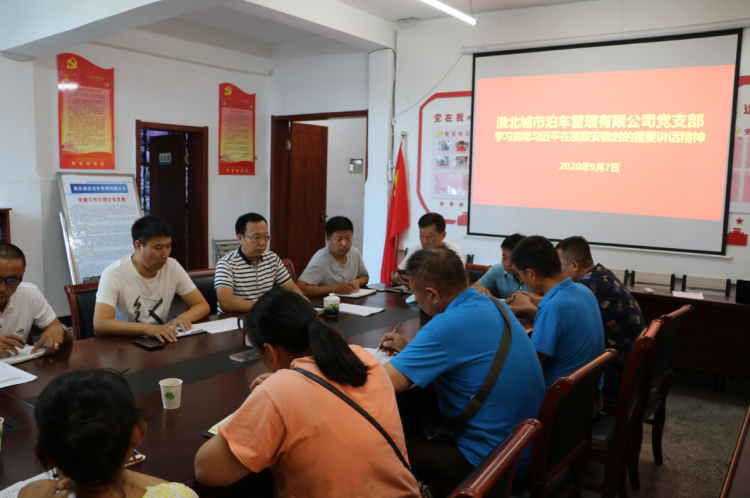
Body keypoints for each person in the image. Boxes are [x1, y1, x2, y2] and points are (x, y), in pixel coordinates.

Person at [194, 288, 420, 498]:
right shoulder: (364, 358)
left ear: (270, 351)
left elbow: (207, 470)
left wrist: (262, 400)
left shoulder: (280, 390)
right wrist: (285, 384)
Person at [379, 246, 545, 486]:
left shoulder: (445, 326)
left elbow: (383, 383)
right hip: (528, 445)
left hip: (491, 463)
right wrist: (411, 350)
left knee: (381, 442)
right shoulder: (495, 305)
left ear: (432, 294)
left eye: (416, 295)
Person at [19, 369, 199, 498]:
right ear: (138, 434)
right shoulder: (180, 495)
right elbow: (171, 489)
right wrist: (101, 469)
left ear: (44, 454)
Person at [509, 236, 605, 394]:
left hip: (561, 399)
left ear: (532, 274)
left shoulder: (552, 307)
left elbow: (531, 369)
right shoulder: (584, 291)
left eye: (522, 277)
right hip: (590, 392)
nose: (523, 283)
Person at [93, 215, 209, 343]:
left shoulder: (172, 266)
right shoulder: (114, 273)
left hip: (159, 340)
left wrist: (182, 318)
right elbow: (100, 324)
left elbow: (201, 305)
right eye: (158, 248)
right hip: (124, 343)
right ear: (138, 246)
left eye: (168, 246)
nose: (165, 254)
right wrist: (148, 329)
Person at [557, 236, 645, 401]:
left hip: (614, 372)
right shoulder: (601, 274)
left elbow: (558, 313)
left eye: (560, 265)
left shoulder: (585, 286)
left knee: (557, 365)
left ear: (574, 265)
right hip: (631, 367)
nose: (558, 271)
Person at [215, 213, 306, 313]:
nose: (262, 243)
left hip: (266, 316)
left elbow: (292, 288)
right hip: (236, 319)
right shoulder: (226, 264)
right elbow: (226, 303)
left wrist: (302, 303)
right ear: (240, 238)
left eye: (266, 237)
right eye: (256, 238)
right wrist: (268, 307)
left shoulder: (272, 258)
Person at [0, 243, 72, 357]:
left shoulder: (29, 293)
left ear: (22, 275)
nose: (2, 289)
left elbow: (68, 338)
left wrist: (59, 329)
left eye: (12, 280)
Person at [297, 216, 369, 296]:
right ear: (328, 239)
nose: (344, 244)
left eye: (348, 238)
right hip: (326, 302)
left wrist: (357, 281)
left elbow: (365, 276)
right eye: (339, 239)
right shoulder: (320, 258)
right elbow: (301, 287)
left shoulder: (355, 252)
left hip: (350, 301)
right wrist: (335, 289)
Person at [392, 212, 464, 288]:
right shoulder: (418, 247)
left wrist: (417, 286)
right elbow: (401, 270)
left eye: (430, 236)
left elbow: (456, 283)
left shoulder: (453, 250)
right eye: (422, 235)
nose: (424, 241)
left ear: (443, 235)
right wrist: (397, 278)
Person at [472, 233, 531, 299]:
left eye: (512, 259)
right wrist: (479, 288)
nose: (507, 264)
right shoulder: (498, 269)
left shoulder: (536, 273)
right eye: (504, 258)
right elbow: (473, 287)